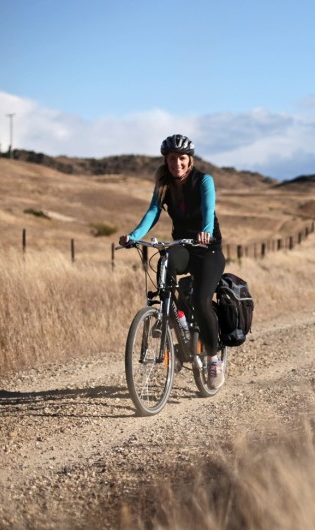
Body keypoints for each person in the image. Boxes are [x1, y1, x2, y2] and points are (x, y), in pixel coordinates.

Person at [120, 134, 226, 389]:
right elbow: (153, 212)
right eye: (171, 158)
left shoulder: (203, 180)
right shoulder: (164, 183)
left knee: (201, 301)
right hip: (182, 246)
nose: (176, 163)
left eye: (181, 158)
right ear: (165, 160)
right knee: (164, 265)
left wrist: (206, 231)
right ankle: (172, 318)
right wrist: (133, 236)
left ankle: (212, 358)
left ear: (189, 160)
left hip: (207, 249)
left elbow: (208, 210)